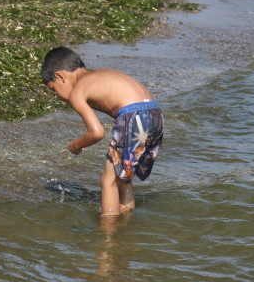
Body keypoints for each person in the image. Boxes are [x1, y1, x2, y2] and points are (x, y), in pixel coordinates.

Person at [41, 46, 164, 217]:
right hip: (154, 113)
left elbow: (97, 132)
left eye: (54, 89)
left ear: (60, 76)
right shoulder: (100, 74)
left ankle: (108, 233)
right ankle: (126, 223)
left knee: (108, 181)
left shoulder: (78, 91)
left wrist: (76, 145)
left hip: (133, 115)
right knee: (122, 177)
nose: (58, 96)